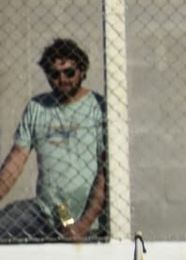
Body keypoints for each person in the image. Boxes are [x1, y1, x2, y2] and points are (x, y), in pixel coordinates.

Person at [0, 39, 107, 242]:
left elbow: (105, 171)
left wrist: (83, 225)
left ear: (82, 72)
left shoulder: (98, 107)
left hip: (86, 217)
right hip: (45, 212)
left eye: (69, 73)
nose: (62, 79)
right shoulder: (37, 107)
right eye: (54, 74)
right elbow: (15, 160)